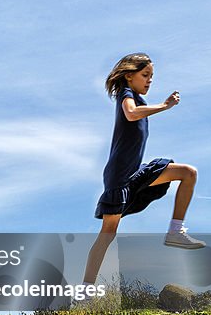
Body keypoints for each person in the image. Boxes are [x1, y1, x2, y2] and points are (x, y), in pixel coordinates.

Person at [83, 53, 204, 284]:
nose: (150, 81)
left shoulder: (138, 99)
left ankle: (175, 232)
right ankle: (86, 290)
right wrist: (165, 105)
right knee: (107, 234)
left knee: (188, 173)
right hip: (119, 176)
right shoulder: (126, 94)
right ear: (129, 76)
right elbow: (130, 113)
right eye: (145, 75)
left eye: (152, 77)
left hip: (136, 172)